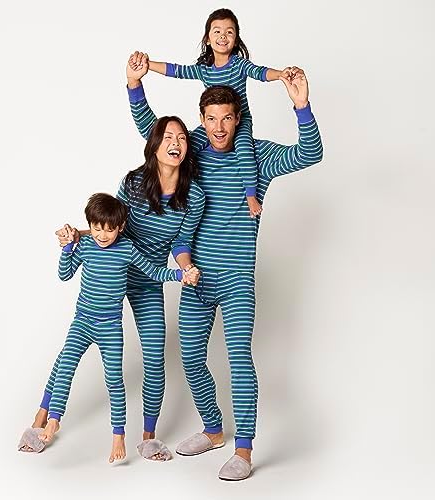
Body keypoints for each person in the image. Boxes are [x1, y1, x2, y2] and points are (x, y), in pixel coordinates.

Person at [126, 51, 323, 480]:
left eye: (227, 119)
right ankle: (214, 430)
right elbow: (153, 134)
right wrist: (135, 85)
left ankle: (244, 450)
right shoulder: (193, 152)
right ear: (202, 119)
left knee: (239, 359)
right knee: (191, 358)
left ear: (238, 120)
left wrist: (301, 104)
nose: (219, 128)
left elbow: (310, 153)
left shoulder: (257, 156)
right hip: (195, 278)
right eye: (211, 119)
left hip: (236, 281)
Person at [35, 115, 206, 461]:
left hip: (148, 277)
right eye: (167, 137)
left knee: (154, 358)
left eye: (181, 138)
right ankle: (42, 415)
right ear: (154, 145)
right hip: (110, 271)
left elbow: (181, 243)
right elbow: (109, 225)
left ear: (187, 147)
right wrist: (75, 236)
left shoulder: (194, 195)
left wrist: (186, 268)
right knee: (70, 351)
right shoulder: (132, 182)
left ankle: (148, 437)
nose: (175, 143)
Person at [130, 7, 295, 218]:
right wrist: (147, 65)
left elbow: (260, 72)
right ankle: (169, 189)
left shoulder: (239, 64)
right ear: (207, 39)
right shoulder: (204, 68)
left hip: (240, 122)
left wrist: (281, 74)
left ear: (236, 40)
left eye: (229, 32)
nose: (223, 36)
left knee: (245, 152)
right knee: (185, 146)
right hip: (213, 122)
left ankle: (251, 195)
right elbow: (176, 70)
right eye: (217, 31)